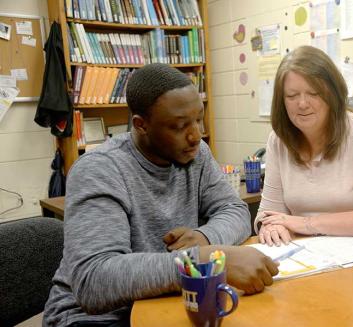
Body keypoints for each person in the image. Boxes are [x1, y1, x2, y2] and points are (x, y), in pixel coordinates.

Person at [43, 64, 278, 327]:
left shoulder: (195, 153)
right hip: (94, 318)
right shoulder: (99, 169)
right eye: (179, 126)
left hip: (166, 300)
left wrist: (204, 238)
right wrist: (202, 259)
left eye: (198, 119)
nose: (196, 135)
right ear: (141, 125)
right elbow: (94, 281)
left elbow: (234, 210)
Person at [255, 46, 353, 246]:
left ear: (332, 94)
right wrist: (272, 226)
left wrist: (308, 224)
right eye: (292, 96)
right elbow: (267, 214)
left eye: (313, 93)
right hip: (306, 260)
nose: (302, 104)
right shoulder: (278, 141)